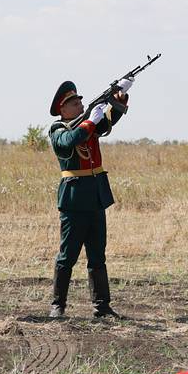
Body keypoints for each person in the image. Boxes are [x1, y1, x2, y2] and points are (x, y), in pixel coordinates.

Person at [46, 77, 132, 318]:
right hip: (74, 199)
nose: (79, 106)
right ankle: (58, 305)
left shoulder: (88, 124)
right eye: (73, 104)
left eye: (79, 102)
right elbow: (68, 142)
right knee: (67, 255)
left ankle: (101, 306)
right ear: (62, 109)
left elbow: (110, 119)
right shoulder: (58, 128)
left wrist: (119, 97)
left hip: (95, 197)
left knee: (97, 255)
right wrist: (89, 122)